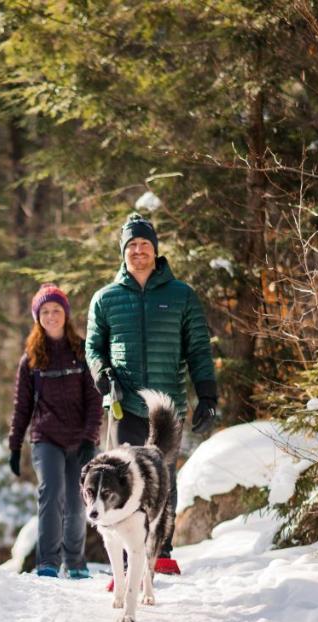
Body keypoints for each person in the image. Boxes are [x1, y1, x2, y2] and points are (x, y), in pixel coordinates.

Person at [85, 213, 218, 575]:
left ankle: (160, 553)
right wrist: (103, 375)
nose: (138, 251)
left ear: (156, 251)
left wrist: (206, 394)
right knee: (121, 478)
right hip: (124, 403)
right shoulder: (105, 298)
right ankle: (128, 561)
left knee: (163, 478)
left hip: (167, 403)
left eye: (145, 245)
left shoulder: (181, 296)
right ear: (123, 253)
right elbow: (93, 348)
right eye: (132, 245)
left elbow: (199, 349)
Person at [8, 285, 103, 579]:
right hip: (45, 438)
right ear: (38, 317)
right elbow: (21, 407)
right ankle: (47, 562)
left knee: (77, 500)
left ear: (66, 314)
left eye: (56, 311)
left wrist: (89, 438)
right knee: (51, 493)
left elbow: (95, 400)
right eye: (45, 312)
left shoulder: (81, 352)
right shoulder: (31, 360)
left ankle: (74, 563)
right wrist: (14, 446)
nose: (51, 316)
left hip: (79, 440)